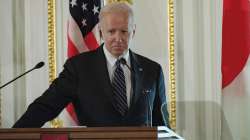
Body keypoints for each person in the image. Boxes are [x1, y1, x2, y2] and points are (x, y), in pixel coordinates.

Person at [13, 2, 169, 128]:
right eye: (111, 31)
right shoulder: (79, 68)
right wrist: (14, 135)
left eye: (124, 31)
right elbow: (46, 107)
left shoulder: (152, 70)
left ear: (133, 31)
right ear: (101, 31)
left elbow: (162, 123)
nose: (118, 38)